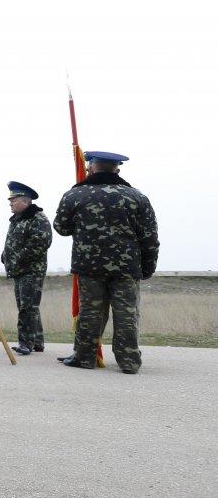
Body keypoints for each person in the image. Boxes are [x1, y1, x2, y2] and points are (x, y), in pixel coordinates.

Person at [53, 151, 159, 374]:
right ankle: (129, 361)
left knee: (91, 312)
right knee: (126, 314)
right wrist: (148, 267)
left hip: (89, 266)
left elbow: (61, 227)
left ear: (91, 167)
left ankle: (84, 357)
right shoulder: (136, 197)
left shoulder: (75, 195)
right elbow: (149, 237)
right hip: (126, 268)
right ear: (117, 169)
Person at [1, 181, 52, 356]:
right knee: (29, 306)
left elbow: (40, 243)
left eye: (13, 200)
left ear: (26, 201)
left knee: (27, 307)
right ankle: (37, 341)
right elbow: (13, 242)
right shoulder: (17, 219)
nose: (10, 203)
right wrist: (5, 256)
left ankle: (25, 343)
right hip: (19, 270)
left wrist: (18, 259)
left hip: (31, 270)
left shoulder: (38, 218)